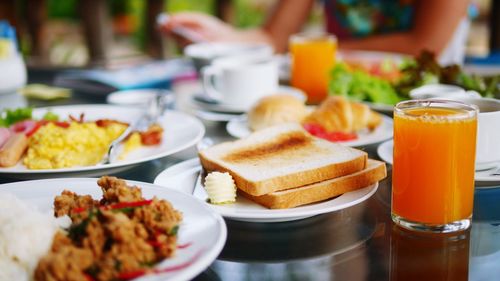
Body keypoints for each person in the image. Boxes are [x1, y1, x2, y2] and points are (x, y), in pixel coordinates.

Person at [160, 0, 470, 64]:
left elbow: (423, 46)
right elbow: (275, 38)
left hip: (423, 104)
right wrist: (220, 38)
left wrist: (316, 51)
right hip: (339, 98)